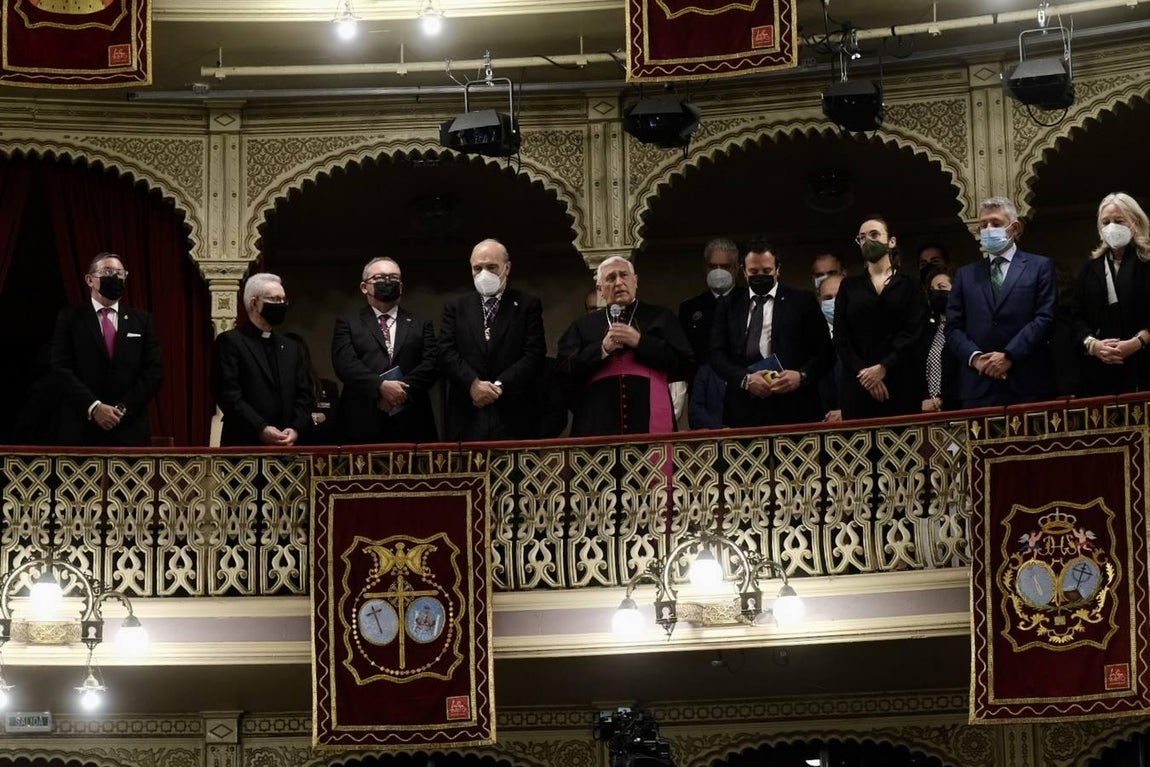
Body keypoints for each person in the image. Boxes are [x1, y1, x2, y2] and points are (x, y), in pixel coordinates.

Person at [558, 256, 692, 436]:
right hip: (598, 420)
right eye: (611, 278)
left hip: (649, 416)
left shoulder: (661, 317)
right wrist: (602, 349)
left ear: (635, 281)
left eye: (624, 275)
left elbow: (686, 364)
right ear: (600, 289)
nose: (619, 282)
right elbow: (564, 370)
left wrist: (640, 342)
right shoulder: (582, 326)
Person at [946, 196, 1057, 408]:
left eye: (995, 223)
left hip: (1028, 383)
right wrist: (976, 358)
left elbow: (1045, 318)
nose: (988, 229)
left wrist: (1009, 355)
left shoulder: (1040, 266)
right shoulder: (965, 275)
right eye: (983, 225)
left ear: (1014, 228)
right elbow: (953, 327)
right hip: (978, 385)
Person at [711, 239, 832, 428]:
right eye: (754, 272)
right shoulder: (729, 306)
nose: (760, 276)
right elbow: (717, 354)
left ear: (778, 269)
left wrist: (801, 376)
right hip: (744, 411)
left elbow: (825, 353)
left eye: (767, 271)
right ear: (744, 271)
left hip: (795, 408)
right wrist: (745, 380)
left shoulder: (801, 301)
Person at [50, 252, 162, 446]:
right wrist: (94, 408)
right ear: (90, 279)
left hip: (129, 429)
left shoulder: (142, 321)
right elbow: (60, 368)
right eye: (108, 271)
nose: (115, 277)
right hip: (81, 430)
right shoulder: (70, 318)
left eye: (120, 273)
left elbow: (154, 371)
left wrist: (122, 409)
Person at [439, 239, 545, 441]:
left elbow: (534, 354)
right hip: (467, 412)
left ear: (507, 268)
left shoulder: (527, 305)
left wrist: (498, 386)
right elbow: (446, 352)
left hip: (513, 412)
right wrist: (473, 384)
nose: (483, 274)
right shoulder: (456, 307)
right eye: (477, 268)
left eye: (491, 267)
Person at [332, 257, 439, 444]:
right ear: (364, 287)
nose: (388, 282)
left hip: (411, 420)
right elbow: (345, 364)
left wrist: (399, 393)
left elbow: (431, 364)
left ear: (401, 286)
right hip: (362, 419)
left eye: (393, 278)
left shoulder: (421, 323)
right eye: (380, 277)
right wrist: (380, 387)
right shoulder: (348, 323)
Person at [835, 217, 929, 419]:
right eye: (861, 238)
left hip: (900, 381)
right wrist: (866, 374)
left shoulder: (910, 285)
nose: (868, 241)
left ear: (891, 241)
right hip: (859, 385)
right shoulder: (849, 286)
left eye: (874, 235)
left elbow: (915, 332)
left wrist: (884, 367)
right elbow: (842, 338)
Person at [213, 273, 314, 446]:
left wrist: (295, 428)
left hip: (287, 447)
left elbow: (305, 394)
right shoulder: (231, 342)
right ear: (254, 303)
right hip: (245, 445)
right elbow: (228, 395)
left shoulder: (291, 347)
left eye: (283, 300)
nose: (281, 304)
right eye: (275, 299)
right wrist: (261, 428)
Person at [1071, 192, 1150, 396]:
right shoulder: (1090, 268)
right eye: (1105, 222)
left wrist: (1137, 342)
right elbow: (1075, 317)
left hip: (1143, 365)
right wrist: (1092, 345)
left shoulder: (1146, 263)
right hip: (1100, 372)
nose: (1111, 227)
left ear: (1135, 222)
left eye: (1119, 220)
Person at [678, 238, 739, 365]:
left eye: (724, 267)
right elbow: (683, 351)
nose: (718, 272)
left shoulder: (750, 300)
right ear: (705, 268)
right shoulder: (689, 308)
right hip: (703, 379)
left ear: (736, 269)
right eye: (713, 266)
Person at [920, 268, 959, 412]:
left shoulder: (966, 328)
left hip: (956, 411)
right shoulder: (928, 331)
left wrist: (942, 399)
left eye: (941, 287)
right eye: (932, 289)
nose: (935, 292)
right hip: (927, 414)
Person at [817, 273, 844, 421]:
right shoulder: (813, 342)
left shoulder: (872, 337)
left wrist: (848, 411)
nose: (834, 302)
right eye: (828, 298)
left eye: (839, 296)